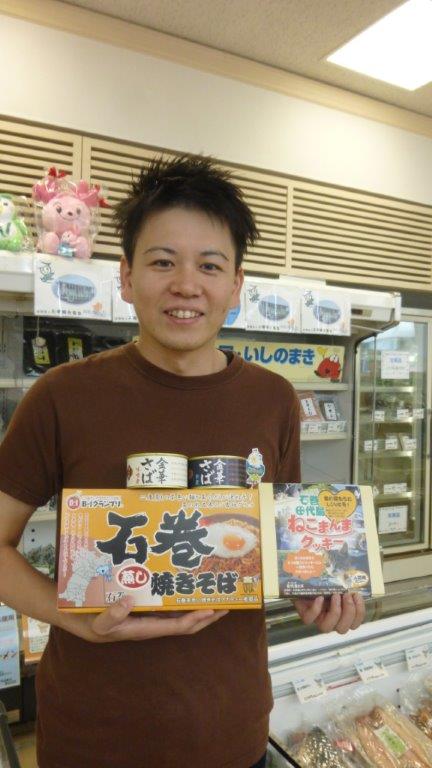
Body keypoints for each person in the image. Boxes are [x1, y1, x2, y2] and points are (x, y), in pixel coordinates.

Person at [0, 155, 365, 768]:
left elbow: (278, 544)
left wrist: (316, 590)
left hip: (231, 730)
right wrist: (75, 618)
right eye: (163, 261)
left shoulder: (273, 399)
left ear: (236, 285)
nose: (187, 285)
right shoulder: (62, 395)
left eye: (210, 265)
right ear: (126, 276)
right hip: (91, 739)